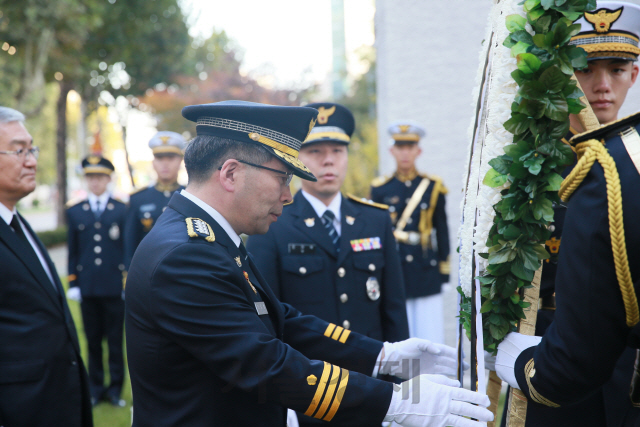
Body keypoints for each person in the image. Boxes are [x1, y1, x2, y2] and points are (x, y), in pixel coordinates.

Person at [125, 100, 492, 427]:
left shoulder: (209, 238)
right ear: (231, 173)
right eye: (282, 178)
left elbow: (280, 319)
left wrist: (383, 356)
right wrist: (395, 401)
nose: (288, 196)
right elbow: (266, 364)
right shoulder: (188, 254)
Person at [505, 3, 640, 426]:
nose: (601, 86)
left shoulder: (632, 167)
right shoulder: (526, 166)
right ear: (565, 76)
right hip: (547, 353)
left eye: (617, 70)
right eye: (585, 70)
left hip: (628, 366)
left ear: (633, 76)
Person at [247, 102, 410, 426]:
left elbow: (394, 312)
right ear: (296, 159)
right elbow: (266, 319)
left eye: (337, 150)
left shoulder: (375, 220)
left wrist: (406, 388)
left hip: (373, 382)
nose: (328, 160)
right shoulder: (272, 223)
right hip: (309, 387)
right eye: (315, 151)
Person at [0, 106, 93, 426]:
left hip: (54, 401)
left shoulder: (17, 222)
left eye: (32, 149)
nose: (31, 160)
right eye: (18, 150)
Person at [370, 122, 450, 343]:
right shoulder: (380, 188)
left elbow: (441, 230)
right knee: (400, 333)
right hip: (395, 268)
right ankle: (406, 379)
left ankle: (433, 377)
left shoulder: (433, 186)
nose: (405, 152)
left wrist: (444, 271)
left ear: (418, 150)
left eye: (410, 147)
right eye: (400, 146)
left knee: (430, 332)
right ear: (392, 151)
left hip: (425, 268)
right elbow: (376, 232)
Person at [66, 155, 127, 407]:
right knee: (92, 342)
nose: (96, 182)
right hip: (88, 287)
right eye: (91, 177)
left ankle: (114, 391)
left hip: (114, 286)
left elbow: (126, 247)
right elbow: (73, 250)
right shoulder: (75, 211)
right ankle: (94, 388)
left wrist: (126, 282)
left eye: (100, 177)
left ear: (108, 179)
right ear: (86, 180)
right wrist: (73, 283)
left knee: (114, 342)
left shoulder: (122, 210)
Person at [124, 131, 185, 268]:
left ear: (180, 161)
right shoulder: (138, 199)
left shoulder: (191, 195)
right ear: (153, 162)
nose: (165, 163)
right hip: (147, 270)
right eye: (160, 158)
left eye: (170, 158)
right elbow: (130, 243)